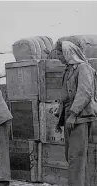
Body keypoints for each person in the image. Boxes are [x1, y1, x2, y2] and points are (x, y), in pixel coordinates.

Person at [54, 41, 97, 186]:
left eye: (59, 53)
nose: (58, 56)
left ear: (67, 53)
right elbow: (66, 96)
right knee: (70, 156)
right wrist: (60, 118)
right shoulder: (68, 70)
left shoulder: (83, 68)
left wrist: (73, 115)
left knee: (76, 157)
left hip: (80, 118)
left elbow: (85, 93)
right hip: (70, 116)